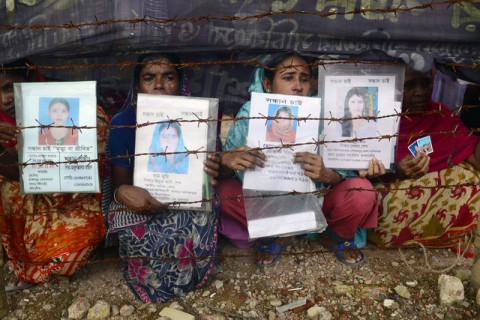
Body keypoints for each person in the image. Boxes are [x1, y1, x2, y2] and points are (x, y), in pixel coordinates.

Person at [216, 52, 384, 267]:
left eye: (304, 79)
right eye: (288, 78)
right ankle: (273, 234)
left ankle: (337, 235)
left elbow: (347, 175)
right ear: (268, 84)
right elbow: (230, 172)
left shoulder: (328, 114)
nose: (297, 86)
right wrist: (228, 161)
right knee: (225, 193)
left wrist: (328, 175)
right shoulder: (250, 114)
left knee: (361, 191)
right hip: (264, 204)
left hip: (318, 202)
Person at [107, 53, 219, 303]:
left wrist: (213, 170)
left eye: (168, 77)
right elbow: (119, 182)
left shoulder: (199, 117)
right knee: (135, 227)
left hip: (187, 199)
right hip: (141, 198)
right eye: (149, 78)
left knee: (200, 214)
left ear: (180, 83)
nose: (159, 85)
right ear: (138, 86)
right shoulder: (123, 122)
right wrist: (122, 192)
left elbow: (216, 171)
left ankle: (189, 278)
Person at [0, 59, 107, 289]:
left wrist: (77, 176)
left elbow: (94, 169)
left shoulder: (84, 115)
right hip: (35, 210)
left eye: (9, 87)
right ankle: (23, 260)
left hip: (74, 207)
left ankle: (45, 264)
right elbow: (20, 175)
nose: (4, 99)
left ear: (29, 79)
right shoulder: (5, 129)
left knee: (70, 256)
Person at [368, 65, 480, 249]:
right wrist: (397, 172)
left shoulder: (441, 116)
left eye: (426, 83)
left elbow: (475, 159)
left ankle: (444, 237)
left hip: (438, 217)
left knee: (467, 175)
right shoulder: (374, 120)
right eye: (409, 85)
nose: (420, 92)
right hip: (388, 219)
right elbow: (358, 176)